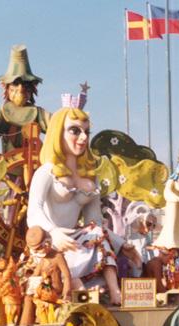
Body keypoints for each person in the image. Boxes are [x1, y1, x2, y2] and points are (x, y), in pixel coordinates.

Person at [26, 104, 132, 305]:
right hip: (49, 239)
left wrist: (120, 242)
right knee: (66, 260)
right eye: (75, 131)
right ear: (58, 133)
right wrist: (54, 232)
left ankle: (115, 290)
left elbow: (95, 221)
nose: (83, 138)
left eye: (86, 132)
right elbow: (33, 212)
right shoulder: (46, 172)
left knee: (98, 234)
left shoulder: (89, 178)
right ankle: (79, 289)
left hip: (74, 238)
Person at [20, 226, 72, 325]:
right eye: (34, 250)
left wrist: (67, 294)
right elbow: (34, 276)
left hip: (55, 293)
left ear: (47, 244)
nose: (36, 252)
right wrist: (25, 284)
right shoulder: (43, 260)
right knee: (28, 298)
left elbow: (67, 276)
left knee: (37, 300)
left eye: (38, 249)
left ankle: (29, 324)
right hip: (43, 292)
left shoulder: (58, 256)